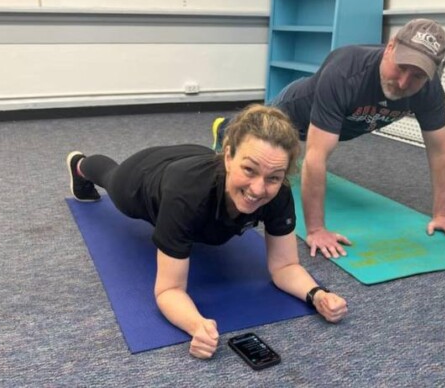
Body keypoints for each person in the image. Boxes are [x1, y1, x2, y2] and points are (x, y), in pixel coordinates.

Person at [66, 104, 348, 359]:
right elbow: (168, 289)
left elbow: (285, 266)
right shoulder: (186, 197)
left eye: (273, 178)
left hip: (194, 161)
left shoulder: (278, 193)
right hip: (143, 179)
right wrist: (196, 325)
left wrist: (317, 295)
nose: (259, 189)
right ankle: (79, 164)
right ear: (228, 157)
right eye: (249, 170)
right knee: (111, 177)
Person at [212, 18, 445, 259]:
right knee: (252, 134)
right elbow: (315, 157)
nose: (404, 82)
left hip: (343, 124)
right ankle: (224, 128)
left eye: (417, 75)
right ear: (390, 47)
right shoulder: (346, 70)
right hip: (296, 108)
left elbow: (441, 151)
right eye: (401, 67)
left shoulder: (428, 89)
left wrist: (442, 215)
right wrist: (316, 229)